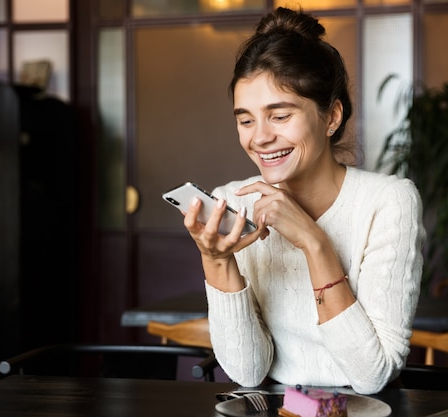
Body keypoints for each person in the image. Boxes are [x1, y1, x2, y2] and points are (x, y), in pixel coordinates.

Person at [182, 7, 425, 394]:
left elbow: (371, 376)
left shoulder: (389, 202)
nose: (259, 137)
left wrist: (313, 241)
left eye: (279, 116)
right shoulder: (234, 202)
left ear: (331, 117)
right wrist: (217, 261)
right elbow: (248, 372)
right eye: (246, 120)